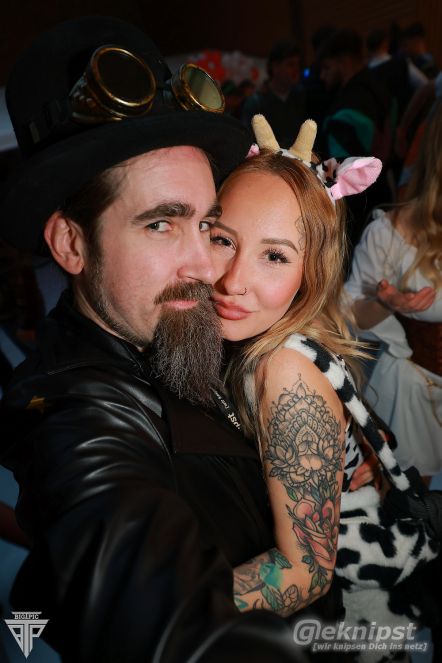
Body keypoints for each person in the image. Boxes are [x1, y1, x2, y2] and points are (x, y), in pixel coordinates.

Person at [0, 17, 306, 663]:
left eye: (207, 225)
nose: (206, 266)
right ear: (71, 244)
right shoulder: (75, 415)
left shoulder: (181, 326)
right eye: (161, 224)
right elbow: (168, 617)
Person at [208, 115, 441, 655]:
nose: (232, 280)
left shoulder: (283, 369)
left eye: (274, 256)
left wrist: (161, 613)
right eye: (222, 240)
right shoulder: (236, 338)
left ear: (310, 272)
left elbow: (304, 572)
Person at [345, 102, 442, 482]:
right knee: (416, 503)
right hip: (412, 403)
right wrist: (387, 302)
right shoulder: (390, 233)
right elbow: (350, 316)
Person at [241, 38, 307, 148]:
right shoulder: (256, 103)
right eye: (290, 64)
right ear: (275, 67)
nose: (296, 69)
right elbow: (248, 143)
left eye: (298, 64)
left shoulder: (301, 97)